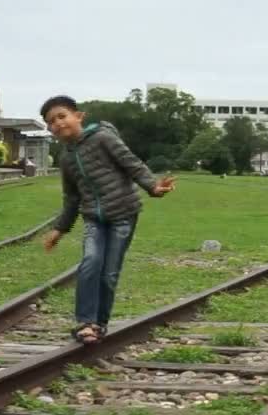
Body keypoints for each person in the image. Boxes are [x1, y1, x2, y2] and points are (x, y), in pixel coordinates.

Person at [40, 95, 175, 344]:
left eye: (62, 116)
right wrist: (59, 230)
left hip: (123, 215)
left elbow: (131, 164)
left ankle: (99, 324)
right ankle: (85, 322)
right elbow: (72, 198)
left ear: (78, 116)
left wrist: (153, 187)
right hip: (94, 218)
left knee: (109, 273)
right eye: (51, 122)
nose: (57, 123)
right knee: (90, 262)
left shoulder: (103, 138)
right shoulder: (66, 159)